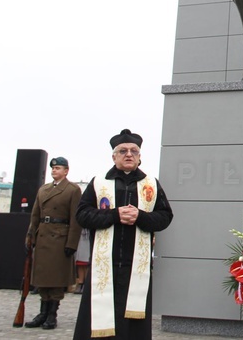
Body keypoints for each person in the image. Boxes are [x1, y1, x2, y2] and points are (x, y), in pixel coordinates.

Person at [73, 129, 173, 340]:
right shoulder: (98, 183)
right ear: (114, 156)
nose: (129, 154)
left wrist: (141, 217)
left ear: (140, 156)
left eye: (134, 151)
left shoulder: (152, 184)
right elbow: (82, 215)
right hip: (104, 265)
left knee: (132, 325)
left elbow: (165, 217)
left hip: (136, 266)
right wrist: (114, 215)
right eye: (123, 150)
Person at [23, 156, 82, 329]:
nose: (54, 170)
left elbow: (75, 219)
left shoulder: (72, 190)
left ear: (66, 171)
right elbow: (35, 214)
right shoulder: (43, 189)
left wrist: (72, 243)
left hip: (60, 238)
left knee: (55, 279)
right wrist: (30, 235)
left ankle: (51, 314)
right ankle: (42, 312)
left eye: (58, 168)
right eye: (53, 168)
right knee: (42, 278)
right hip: (43, 236)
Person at [74, 227, 91, 294]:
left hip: (90, 235)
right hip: (80, 235)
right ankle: (80, 282)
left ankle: (86, 283)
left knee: (87, 262)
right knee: (80, 261)